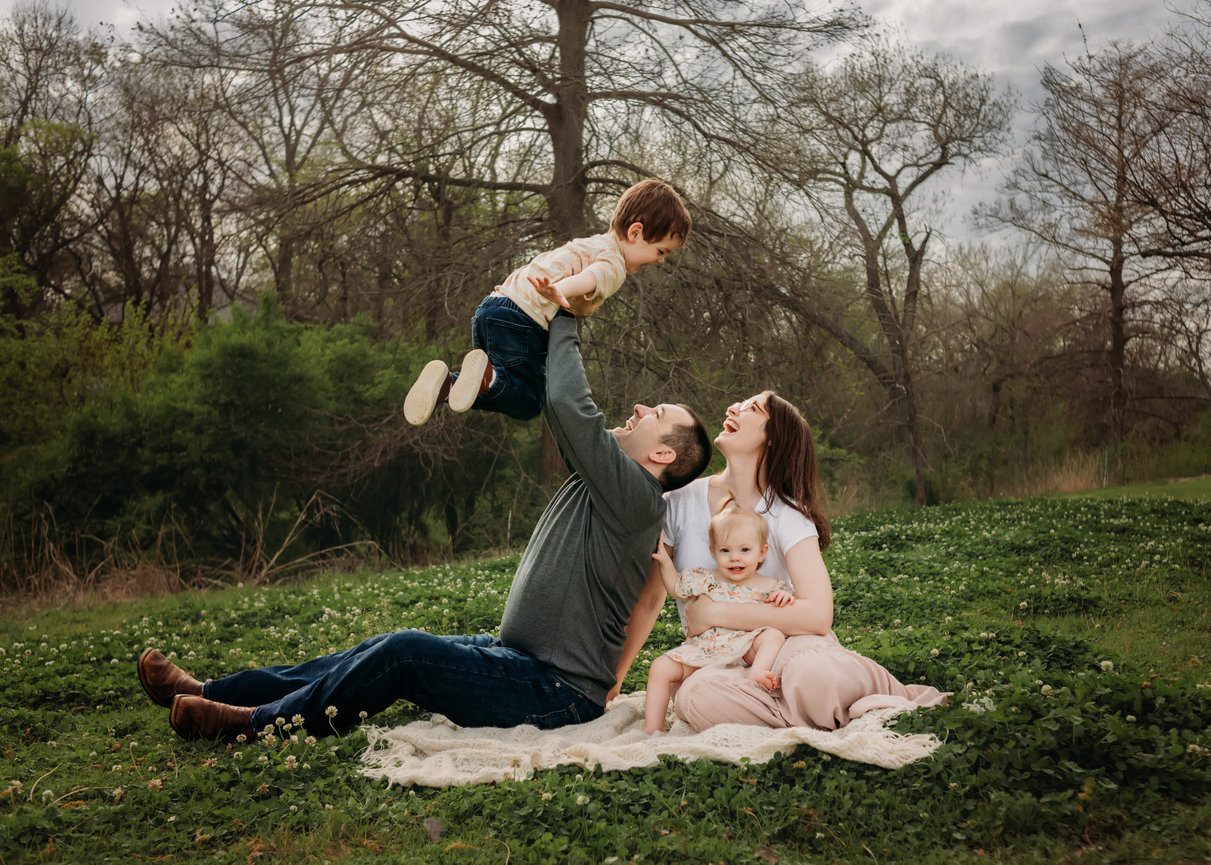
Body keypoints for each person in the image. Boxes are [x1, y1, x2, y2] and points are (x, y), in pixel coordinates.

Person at [138, 312, 713, 742]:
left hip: (553, 693)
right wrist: (527, 330)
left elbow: (567, 401)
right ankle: (214, 693)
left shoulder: (635, 495)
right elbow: (552, 402)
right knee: (375, 650)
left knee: (403, 655)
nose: (639, 407)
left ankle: (258, 726)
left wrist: (567, 317)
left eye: (655, 415)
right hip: (518, 660)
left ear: (661, 456)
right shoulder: (610, 481)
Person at [613, 391, 948, 732]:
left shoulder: (786, 514)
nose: (734, 407)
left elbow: (817, 615)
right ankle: (811, 715)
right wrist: (616, 675)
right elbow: (651, 600)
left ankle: (809, 703)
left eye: (752, 408)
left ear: (772, 440)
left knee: (811, 674)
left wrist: (715, 612)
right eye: (740, 403)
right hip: (716, 655)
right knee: (694, 697)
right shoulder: (679, 503)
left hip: (785, 646)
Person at [403, 177, 691, 425]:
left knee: (498, 388)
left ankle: (445, 385)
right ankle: (483, 378)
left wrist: (573, 301)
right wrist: (559, 292)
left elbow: (581, 292)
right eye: (661, 251)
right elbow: (591, 278)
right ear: (636, 232)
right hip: (523, 318)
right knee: (529, 401)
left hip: (490, 308)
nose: (661, 260)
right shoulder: (614, 264)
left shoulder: (590, 243)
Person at [643, 496, 794, 734]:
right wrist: (664, 561)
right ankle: (652, 731)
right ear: (713, 552)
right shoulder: (707, 579)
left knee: (772, 634)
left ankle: (757, 673)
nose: (735, 557)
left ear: (762, 552)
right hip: (705, 649)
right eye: (725, 550)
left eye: (745, 550)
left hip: (744, 650)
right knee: (659, 667)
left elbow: (788, 613)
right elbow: (675, 588)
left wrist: (787, 598)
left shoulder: (770, 585)